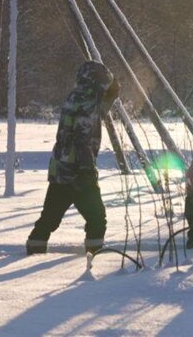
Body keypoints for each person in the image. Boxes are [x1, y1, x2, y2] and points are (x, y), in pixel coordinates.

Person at [26, 61, 120, 255]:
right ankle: (94, 255)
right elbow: (81, 137)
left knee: (49, 217)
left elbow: (103, 105)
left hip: (61, 168)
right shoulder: (87, 103)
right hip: (78, 171)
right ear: (97, 82)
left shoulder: (75, 97)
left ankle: (35, 249)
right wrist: (86, 170)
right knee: (96, 218)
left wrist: (111, 88)